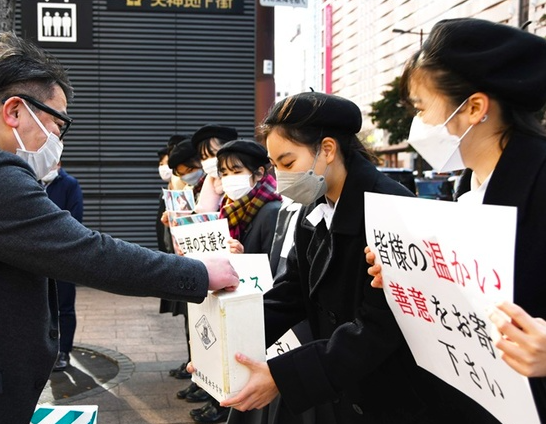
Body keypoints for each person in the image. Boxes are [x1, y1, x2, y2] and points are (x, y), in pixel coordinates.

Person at [0, 32, 239, 424]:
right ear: (14, 111)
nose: (57, 139)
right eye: (58, 124)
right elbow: (87, 252)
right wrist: (199, 273)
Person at [214, 91, 500, 423]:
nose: (280, 181)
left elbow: (380, 326)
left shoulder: (392, 209)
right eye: (275, 165)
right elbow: (292, 291)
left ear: (328, 149)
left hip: (393, 397)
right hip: (344, 389)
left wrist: (285, 377)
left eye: (288, 163)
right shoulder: (314, 207)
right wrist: (226, 339)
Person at [363, 18, 546, 420]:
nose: (417, 123)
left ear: (475, 108)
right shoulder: (468, 186)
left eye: (421, 108)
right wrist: (407, 273)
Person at [190, 139, 281, 424]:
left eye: (236, 171)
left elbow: (273, 269)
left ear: (259, 173)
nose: (230, 179)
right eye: (225, 173)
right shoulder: (231, 207)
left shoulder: (270, 211)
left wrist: (241, 257)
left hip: (257, 307)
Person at [41, 162, 83, 371]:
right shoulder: (33, 181)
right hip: (37, 256)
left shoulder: (69, 184)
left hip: (64, 256)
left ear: (58, 163)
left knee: (64, 306)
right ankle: (45, 350)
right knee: (42, 307)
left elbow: (75, 219)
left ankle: (64, 351)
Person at [191, 123, 238, 214]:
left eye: (213, 154)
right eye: (204, 157)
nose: (209, 161)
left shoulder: (242, 182)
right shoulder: (207, 183)